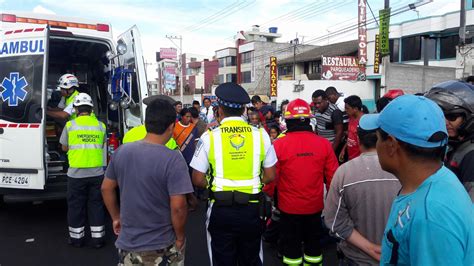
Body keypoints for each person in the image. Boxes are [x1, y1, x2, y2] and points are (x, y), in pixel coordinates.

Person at [359, 94, 474, 265]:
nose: (376, 145)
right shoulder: (438, 179)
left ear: (391, 144)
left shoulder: (431, 216)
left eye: (377, 138)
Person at [190, 82, 277, 266]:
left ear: (219, 109)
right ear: (244, 109)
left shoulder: (210, 136)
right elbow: (270, 176)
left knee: (222, 260)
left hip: (220, 210)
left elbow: (197, 179)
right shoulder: (261, 135)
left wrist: (214, 181)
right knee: (251, 259)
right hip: (252, 209)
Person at [102, 99, 193, 265]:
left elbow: (106, 188)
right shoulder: (173, 159)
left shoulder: (122, 152)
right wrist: (180, 237)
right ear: (172, 126)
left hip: (128, 245)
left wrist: (116, 217)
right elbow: (178, 207)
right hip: (162, 246)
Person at [272, 98, 339, 266]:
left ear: (287, 121)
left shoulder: (279, 145)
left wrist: (272, 197)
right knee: (313, 248)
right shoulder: (324, 144)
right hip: (315, 207)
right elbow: (334, 178)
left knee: (291, 249)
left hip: (288, 208)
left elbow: (271, 179)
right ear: (309, 120)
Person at [323, 128, 401, 265]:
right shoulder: (405, 170)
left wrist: (370, 249)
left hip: (356, 258)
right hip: (398, 258)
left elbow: (334, 222)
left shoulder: (344, 172)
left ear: (358, 140)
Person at [59, 93, 106, 248]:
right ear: (91, 108)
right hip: (97, 173)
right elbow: (101, 145)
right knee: (96, 205)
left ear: (76, 109)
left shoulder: (70, 126)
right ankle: (98, 239)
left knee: (76, 206)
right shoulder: (101, 126)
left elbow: (64, 146)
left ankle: (77, 239)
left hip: (76, 174)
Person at [425, 80, 474, 200]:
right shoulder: (453, 146)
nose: (445, 123)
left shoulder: (470, 154)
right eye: (441, 116)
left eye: (452, 117)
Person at [339, 95, 365, 162]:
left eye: (347, 108)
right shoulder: (351, 118)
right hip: (351, 158)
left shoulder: (364, 122)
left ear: (355, 109)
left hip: (360, 160)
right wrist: (343, 149)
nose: (345, 110)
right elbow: (350, 137)